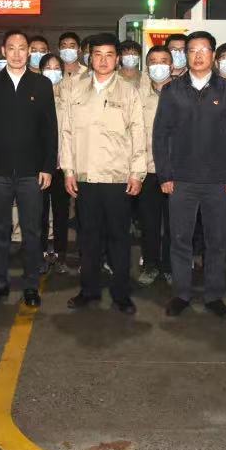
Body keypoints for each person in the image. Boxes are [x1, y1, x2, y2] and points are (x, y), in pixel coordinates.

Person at [153, 30, 226, 319]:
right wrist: (165, 175)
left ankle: (214, 295)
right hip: (180, 180)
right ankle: (181, 294)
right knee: (180, 240)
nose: (197, 55)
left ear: (213, 55)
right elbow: (160, 136)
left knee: (216, 241)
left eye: (204, 50)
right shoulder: (172, 90)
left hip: (218, 182)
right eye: (192, 50)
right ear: (185, 55)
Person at [61, 33, 146, 315]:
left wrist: (137, 173)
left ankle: (121, 294)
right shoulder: (75, 89)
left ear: (117, 59)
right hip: (85, 178)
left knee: (119, 238)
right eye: (98, 54)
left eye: (109, 55)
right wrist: (69, 171)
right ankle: (89, 290)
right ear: (90, 57)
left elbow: (138, 133)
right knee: (89, 238)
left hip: (117, 178)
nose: (103, 60)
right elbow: (67, 133)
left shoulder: (129, 91)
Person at [0, 30, 58, 307]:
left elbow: (50, 129)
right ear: (3, 51)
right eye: (12, 48)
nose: (18, 53)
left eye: (23, 48)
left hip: (31, 173)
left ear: (29, 51)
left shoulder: (41, 84)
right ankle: (0, 283)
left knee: (32, 231)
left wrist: (47, 167)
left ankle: (31, 285)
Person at [136, 46, 174, 287]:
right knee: (148, 223)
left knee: (174, 224)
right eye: (153, 61)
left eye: (163, 61)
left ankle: (170, 266)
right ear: (147, 67)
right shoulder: (137, 96)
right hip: (147, 170)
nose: (158, 66)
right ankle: (150, 264)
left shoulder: (184, 94)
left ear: (172, 66)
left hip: (176, 171)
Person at [39, 53, 72, 274]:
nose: (52, 72)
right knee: (39, 211)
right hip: (40, 165)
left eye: (56, 68)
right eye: (48, 68)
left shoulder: (70, 96)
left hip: (63, 165)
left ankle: (61, 254)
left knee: (61, 211)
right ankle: (41, 252)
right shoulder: (34, 95)